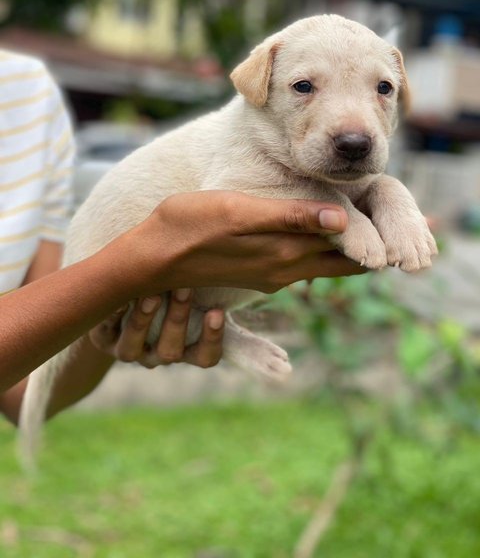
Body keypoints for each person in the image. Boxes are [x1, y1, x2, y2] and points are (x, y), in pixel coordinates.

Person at [0, 50, 362, 423]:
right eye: (305, 87)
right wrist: (136, 264)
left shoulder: (30, 90)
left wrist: (117, 317)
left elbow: (24, 390)